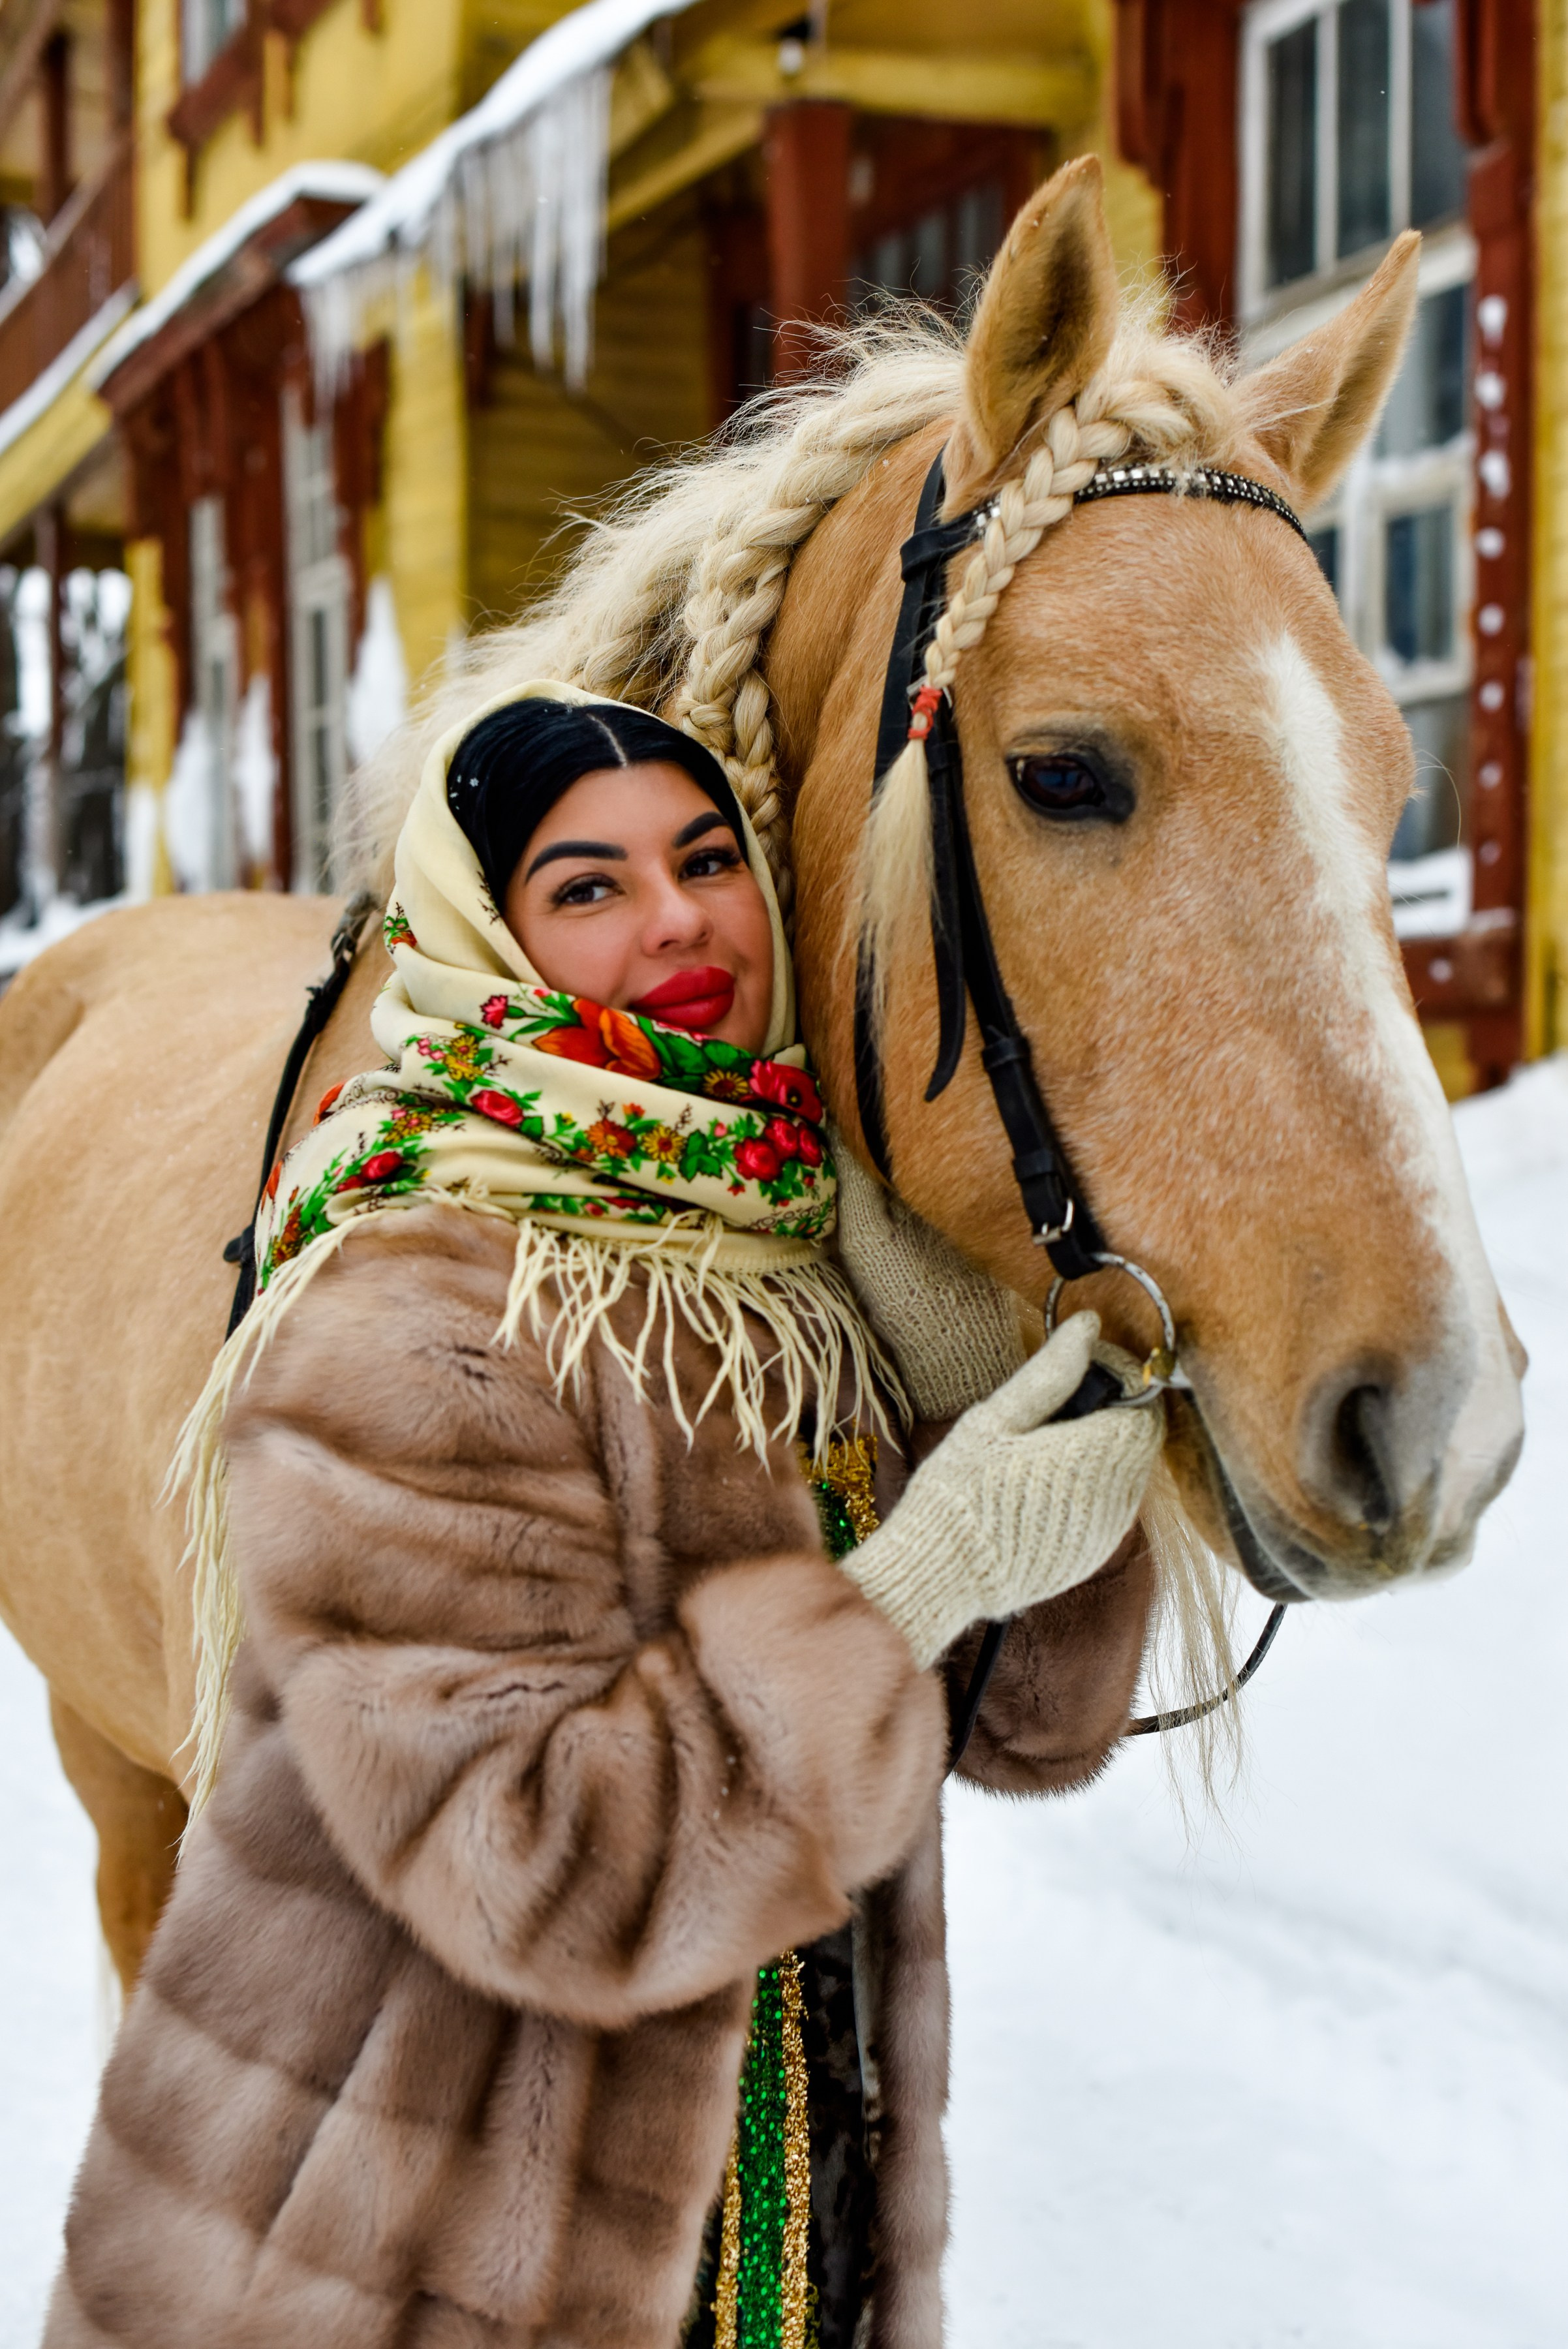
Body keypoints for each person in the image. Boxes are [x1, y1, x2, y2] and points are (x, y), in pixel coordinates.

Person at [46, 684, 1160, 2349]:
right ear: (486, 935)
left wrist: (964, 1392)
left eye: (706, 860)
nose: (678, 919)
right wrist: (930, 1566)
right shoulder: (417, 1305)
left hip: (779, 2231)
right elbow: (540, 1868)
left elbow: (1019, 1724)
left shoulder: (780, 1247)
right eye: (588, 886)